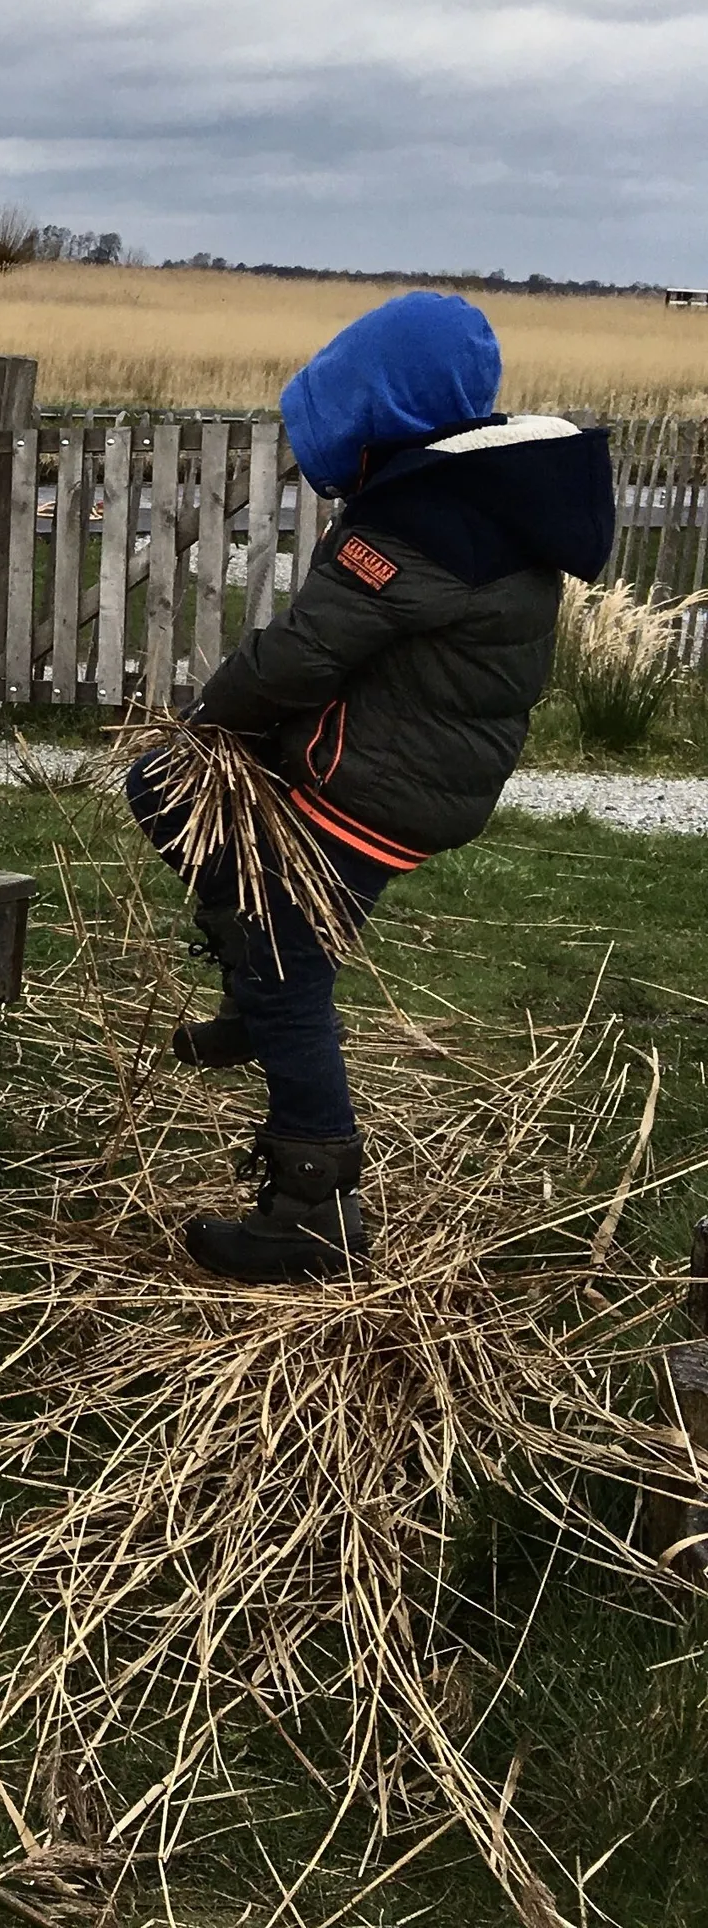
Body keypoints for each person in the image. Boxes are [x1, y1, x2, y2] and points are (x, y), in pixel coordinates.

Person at [133, 289, 613, 1282]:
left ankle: (310, 1205)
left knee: (284, 960)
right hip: (397, 772)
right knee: (167, 799)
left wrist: (207, 729)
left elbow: (300, 656)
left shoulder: (426, 524)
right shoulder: (488, 497)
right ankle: (244, 980)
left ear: (380, 408)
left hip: (365, 787)